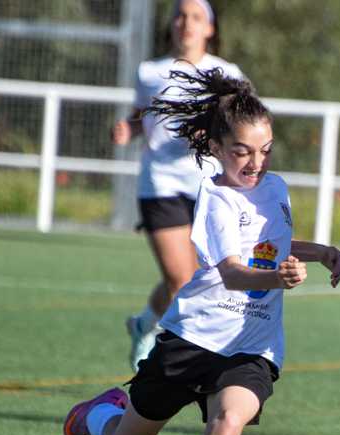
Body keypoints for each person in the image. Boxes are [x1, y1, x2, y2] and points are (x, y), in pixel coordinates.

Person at [67, 67, 340, 435]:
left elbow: (272, 246)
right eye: (242, 151)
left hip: (252, 347)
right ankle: (99, 412)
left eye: (265, 150)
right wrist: (280, 278)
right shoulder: (213, 197)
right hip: (192, 339)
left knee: (229, 421)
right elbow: (234, 272)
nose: (256, 162)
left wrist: (320, 251)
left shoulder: (276, 187)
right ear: (216, 147)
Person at [112, 0, 246, 371]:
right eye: (180, 16)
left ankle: (144, 322)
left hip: (210, 186)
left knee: (201, 277)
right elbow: (141, 117)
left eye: (196, 17)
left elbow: (242, 124)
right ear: (171, 24)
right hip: (160, 183)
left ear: (210, 28)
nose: (187, 23)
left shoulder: (226, 74)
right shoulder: (150, 71)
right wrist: (128, 129)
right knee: (179, 278)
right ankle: (180, 358)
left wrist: (216, 130)